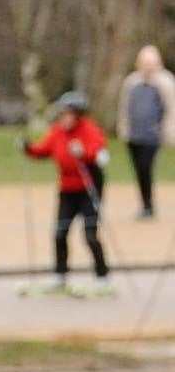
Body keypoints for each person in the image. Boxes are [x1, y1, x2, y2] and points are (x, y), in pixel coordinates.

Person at [26, 91, 112, 284]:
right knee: (60, 232)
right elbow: (43, 150)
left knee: (90, 234)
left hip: (88, 189)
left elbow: (98, 151)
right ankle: (61, 274)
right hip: (67, 190)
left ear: (78, 114)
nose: (63, 117)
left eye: (68, 113)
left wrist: (83, 151)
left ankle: (102, 274)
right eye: (62, 113)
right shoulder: (58, 131)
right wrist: (28, 148)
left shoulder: (89, 129)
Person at [122, 46, 172, 222]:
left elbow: (171, 109)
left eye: (151, 62)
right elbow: (125, 108)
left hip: (152, 136)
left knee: (146, 168)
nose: (148, 66)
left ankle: (148, 205)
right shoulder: (132, 82)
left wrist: (169, 133)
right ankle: (145, 203)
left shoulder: (165, 82)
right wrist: (124, 130)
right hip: (134, 135)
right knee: (139, 170)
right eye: (144, 62)